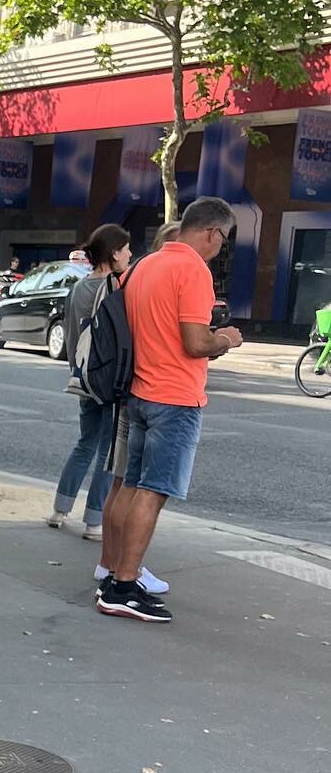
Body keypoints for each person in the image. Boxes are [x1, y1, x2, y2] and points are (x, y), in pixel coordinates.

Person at [96, 198, 241, 622]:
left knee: (130, 485)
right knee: (153, 491)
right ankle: (124, 585)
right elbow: (195, 343)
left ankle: (113, 574)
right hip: (174, 396)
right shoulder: (193, 270)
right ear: (211, 232)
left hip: (139, 390)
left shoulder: (144, 265)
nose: (221, 247)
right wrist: (226, 339)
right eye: (224, 239)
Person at [96, 219, 180, 598]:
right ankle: (123, 570)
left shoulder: (133, 278)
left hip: (128, 389)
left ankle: (111, 564)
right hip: (147, 389)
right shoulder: (151, 279)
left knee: (123, 481)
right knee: (136, 485)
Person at [47, 223, 131, 538]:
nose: (130, 254)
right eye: (126, 249)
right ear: (114, 253)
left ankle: (60, 509)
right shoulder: (117, 288)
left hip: (85, 377)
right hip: (109, 379)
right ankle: (94, 520)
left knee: (85, 443)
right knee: (108, 452)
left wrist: (77, 371)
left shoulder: (79, 287)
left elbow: (72, 336)